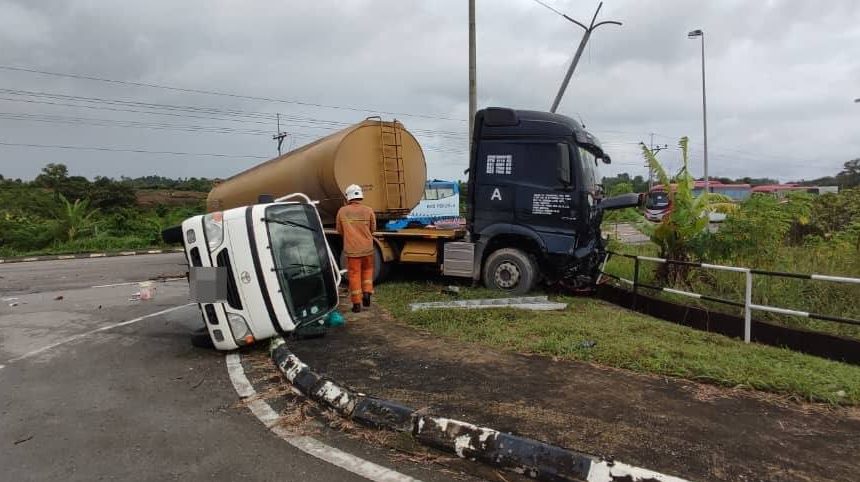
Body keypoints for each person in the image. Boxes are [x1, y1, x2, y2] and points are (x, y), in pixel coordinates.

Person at [335, 184, 377, 313]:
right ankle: (367, 294)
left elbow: (339, 230)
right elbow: (373, 229)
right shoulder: (369, 210)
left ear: (348, 196)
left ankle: (357, 304)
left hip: (352, 250)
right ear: (360, 195)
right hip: (367, 249)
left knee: (354, 275)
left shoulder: (342, 211)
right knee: (368, 271)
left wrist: (349, 236)